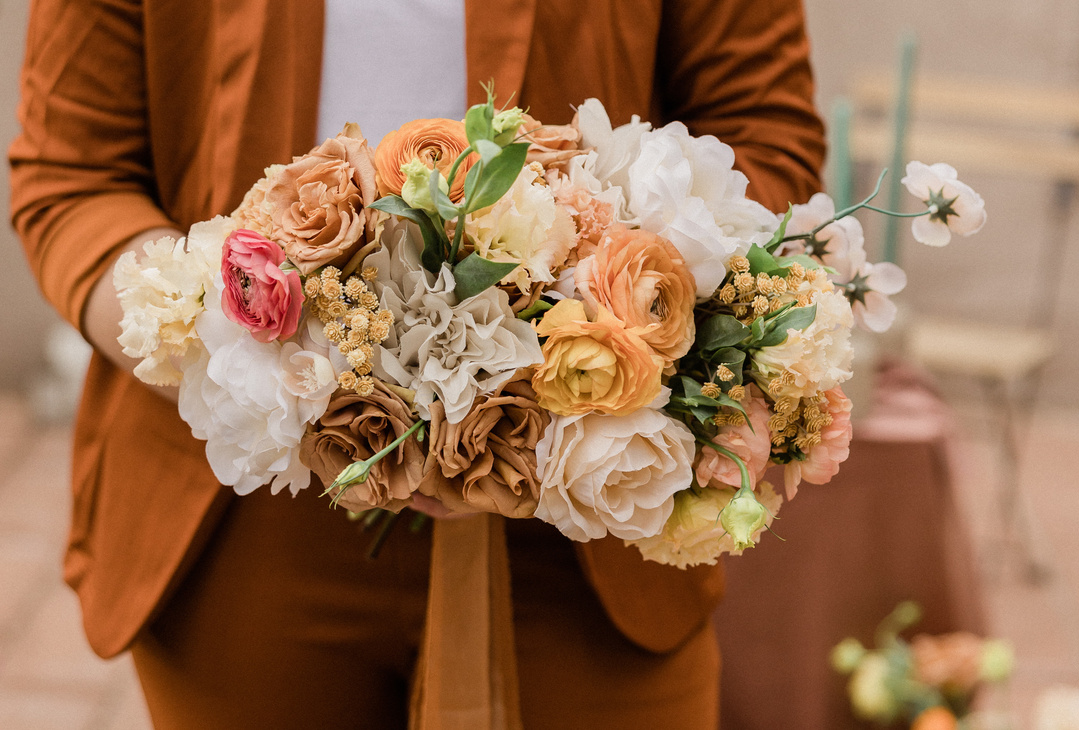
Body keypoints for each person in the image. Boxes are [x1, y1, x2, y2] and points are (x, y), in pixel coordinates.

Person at [10, 0, 825, 728]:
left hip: (588, 503)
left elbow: (762, 136)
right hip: (243, 504)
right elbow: (75, 175)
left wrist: (557, 368)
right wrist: (233, 345)